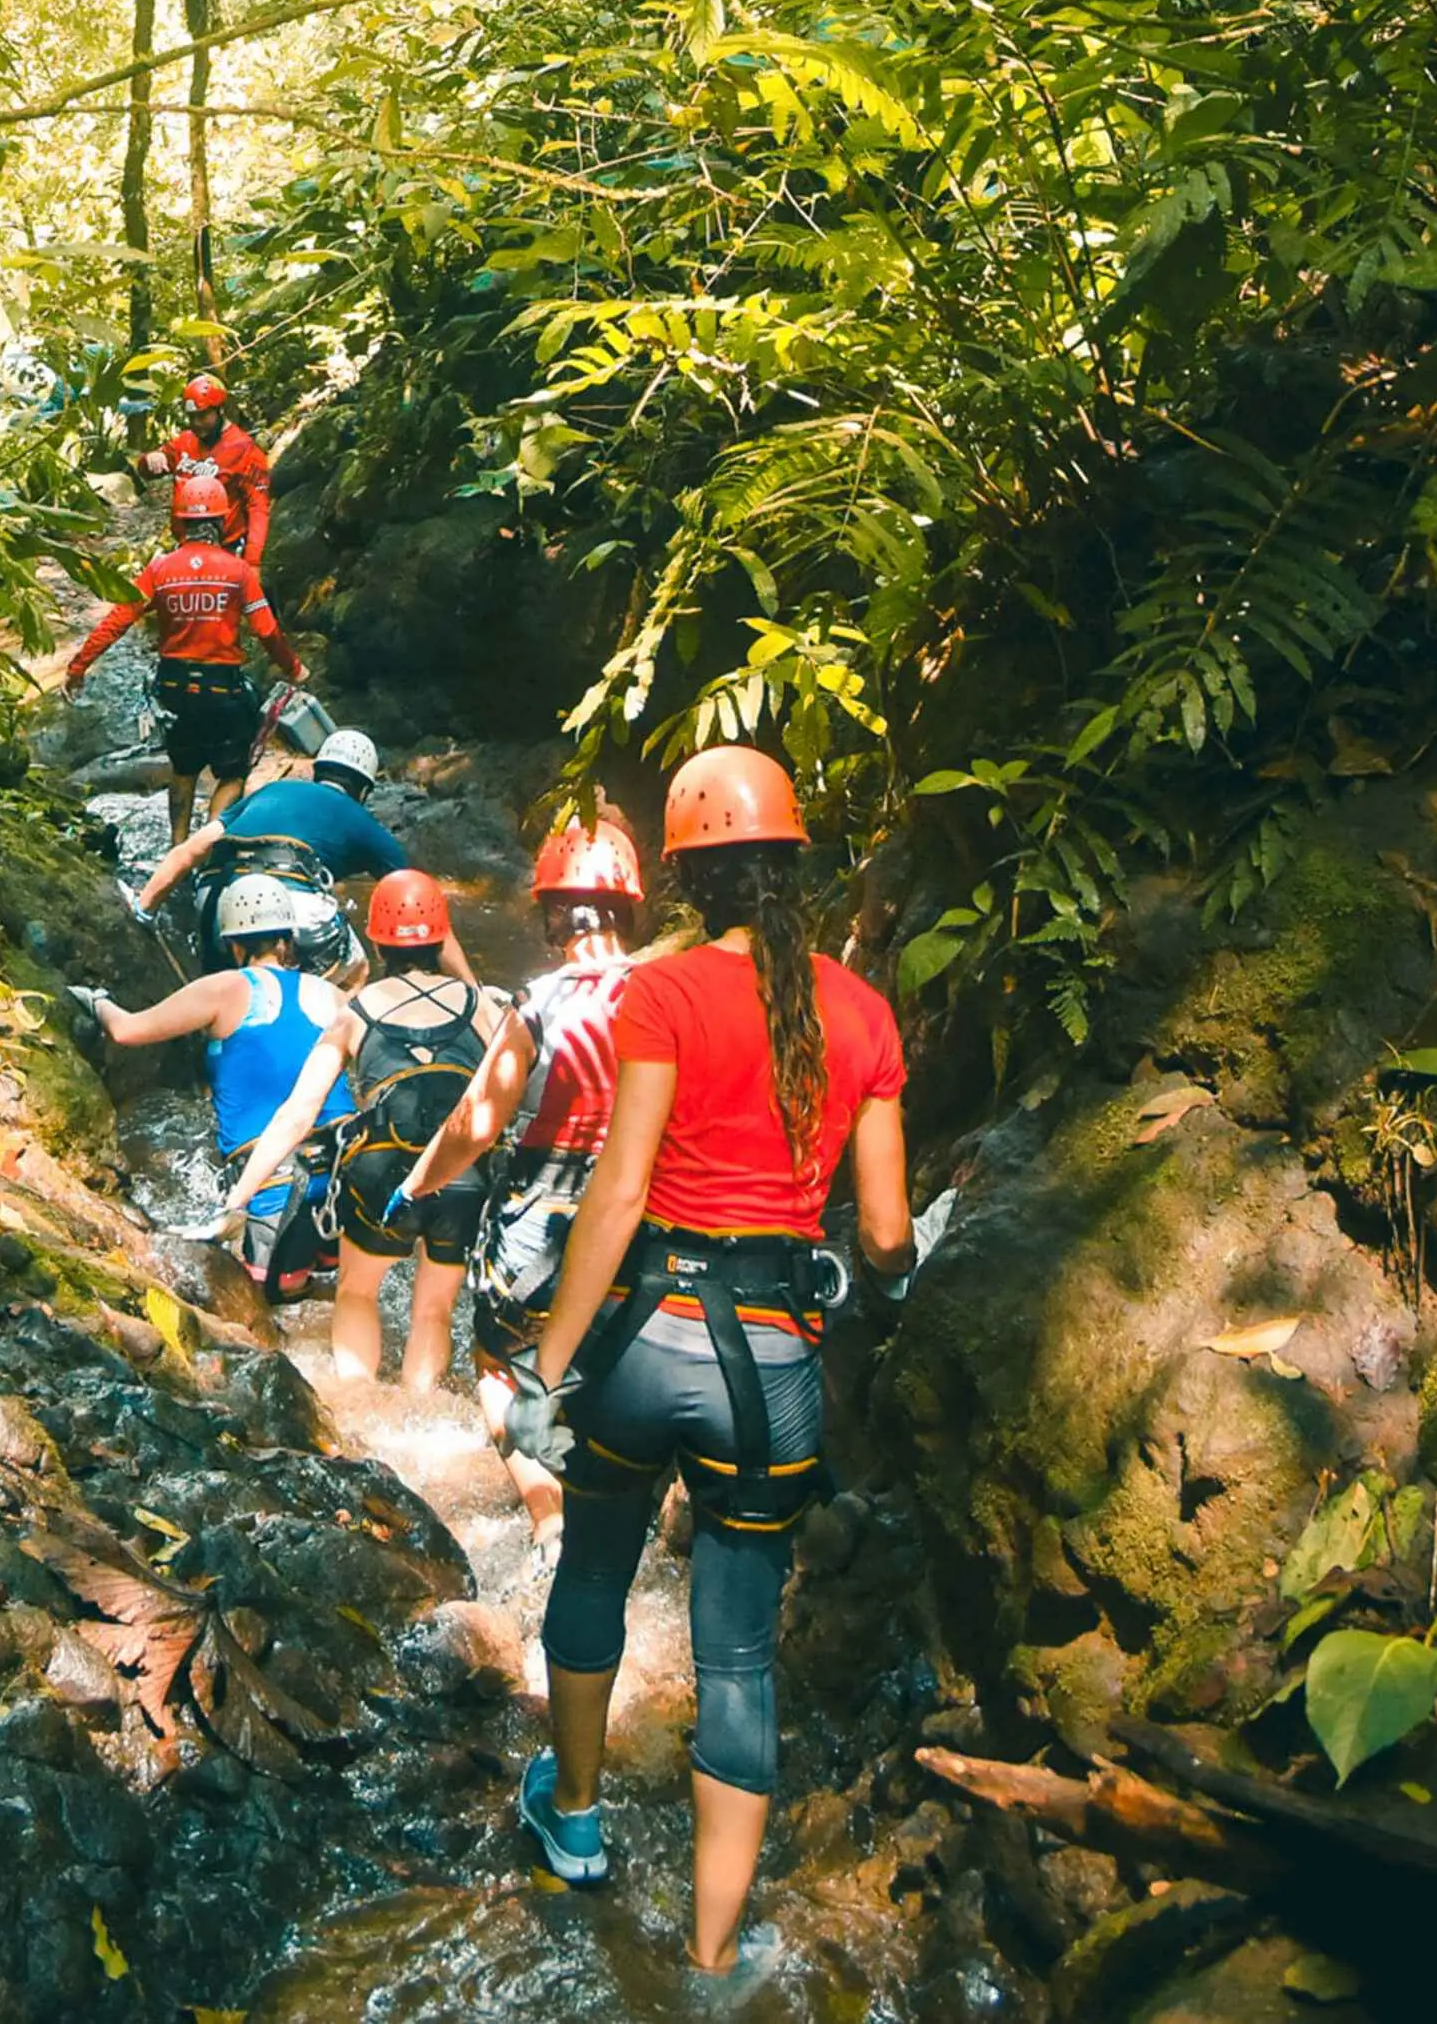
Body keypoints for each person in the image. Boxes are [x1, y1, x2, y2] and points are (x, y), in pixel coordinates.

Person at [503, 745, 924, 1995]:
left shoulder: (663, 992)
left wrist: (547, 1366)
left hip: (647, 1345)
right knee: (737, 1654)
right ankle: (712, 1951)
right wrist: (891, 1277)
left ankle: (576, 1823)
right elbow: (886, 1233)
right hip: (772, 1366)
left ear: (683, 879)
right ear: (796, 862)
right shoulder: (864, 1013)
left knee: (593, 1569)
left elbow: (618, 1193)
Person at [390, 813, 648, 1547]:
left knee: (498, 1362)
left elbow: (475, 1124)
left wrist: (415, 1185)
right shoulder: (666, 993)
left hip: (543, 1214)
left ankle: (548, 1517)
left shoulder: (539, 1003)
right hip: (643, 1211)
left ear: (553, 916)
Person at [211, 871, 512, 1387]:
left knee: (356, 1292)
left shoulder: (355, 1011)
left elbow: (299, 1114)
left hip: (383, 1171)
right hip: (463, 1171)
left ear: (376, 942)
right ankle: (420, 1409)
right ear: (442, 937)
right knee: (434, 1310)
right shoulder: (482, 1007)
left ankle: (357, 1403)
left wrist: (237, 1201)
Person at [65, 874, 351, 1301]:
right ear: (287, 940)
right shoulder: (333, 996)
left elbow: (127, 1030)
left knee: (268, 1304)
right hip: (347, 1183)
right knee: (340, 1295)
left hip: (275, 1192)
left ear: (232, 944)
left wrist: (96, 1001)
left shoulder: (224, 989)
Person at [60, 473, 303, 844]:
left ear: (181, 521)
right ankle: (207, 846)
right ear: (221, 521)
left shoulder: (159, 570)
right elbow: (267, 631)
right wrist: (294, 668)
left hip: (173, 688)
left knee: (184, 769)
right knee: (233, 773)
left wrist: (78, 667)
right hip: (222, 689)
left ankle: (177, 849)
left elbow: (117, 621)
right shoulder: (237, 572)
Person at [134, 731, 471, 983]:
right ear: (364, 790)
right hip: (294, 904)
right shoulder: (360, 820)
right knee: (356, 972)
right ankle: (323, 1042)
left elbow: (189, 851)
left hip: (216, 899)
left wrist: (142, 911)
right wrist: (473, 990)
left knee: (230, 975)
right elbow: (422, 906)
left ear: (317, 771)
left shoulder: (270, 791)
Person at [134, 371, 272, 569]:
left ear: (219, 410)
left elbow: (258, 507)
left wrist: (253, 561)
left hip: (226, 552)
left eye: (203, 416)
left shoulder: (245, 450)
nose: (197, 423)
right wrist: (150, 459)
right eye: (192, 417)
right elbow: (146, 471)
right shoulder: (184, 442)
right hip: (185, 549)